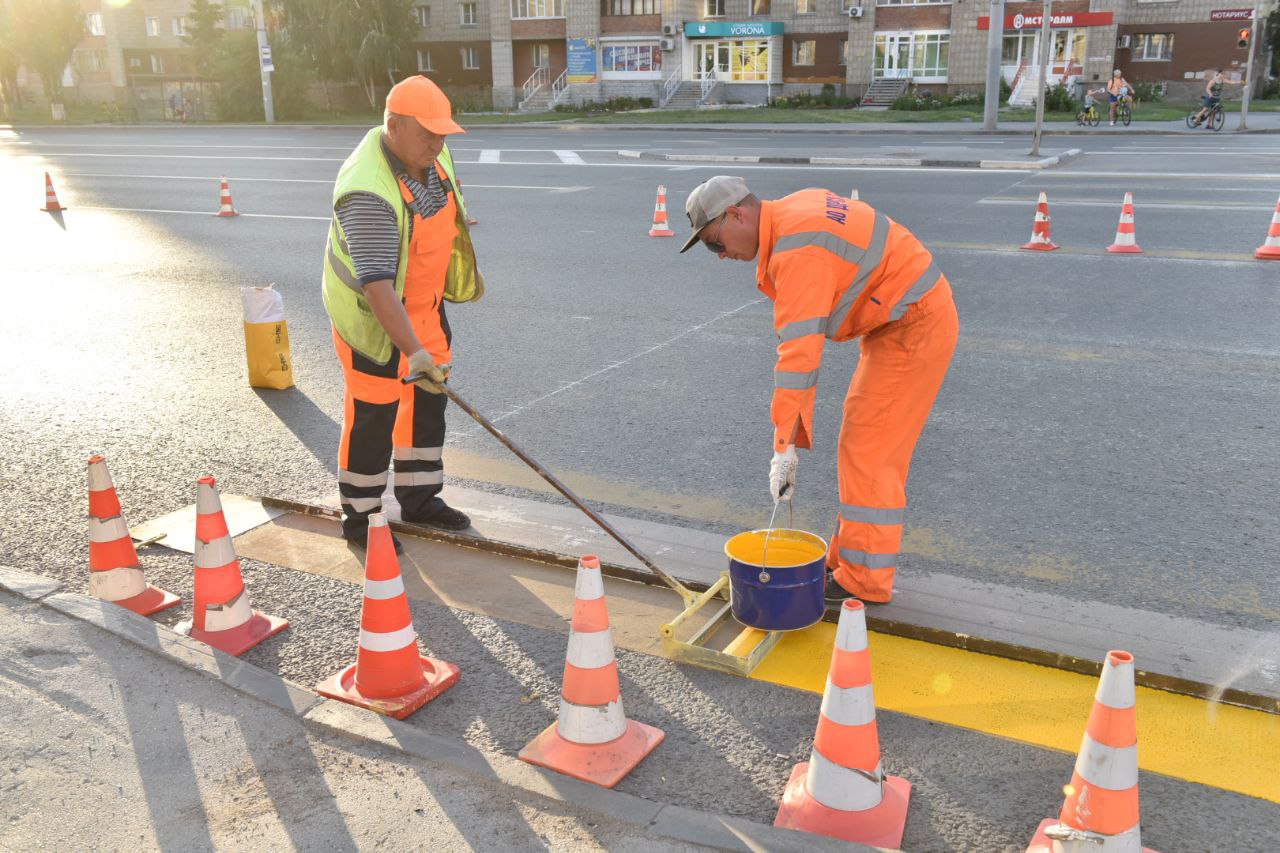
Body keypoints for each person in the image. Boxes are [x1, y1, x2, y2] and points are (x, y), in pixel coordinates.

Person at [679, 176, 958, 604]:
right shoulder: (793, 210)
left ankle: (865, 581)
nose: (719, 256)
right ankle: (848, 558)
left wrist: (783, 449)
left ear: (736, 214)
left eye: (715, 242)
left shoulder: (797, 250)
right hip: (902, 317)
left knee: (871, 450)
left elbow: (798, 359)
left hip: (913, 323)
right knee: (862, 443)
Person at [321, 75, 483, 551]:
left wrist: (423, 344)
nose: (437, 143)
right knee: (374, 416)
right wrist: (412, 351)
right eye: (427, 134)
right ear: (393, 127)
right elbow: (376, 286)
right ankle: (362, 518)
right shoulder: (367, 191)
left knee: (427, 406)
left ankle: (420, 498)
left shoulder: (432, 152)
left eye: (442, 134)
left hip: (424, 307)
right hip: (373, 320)